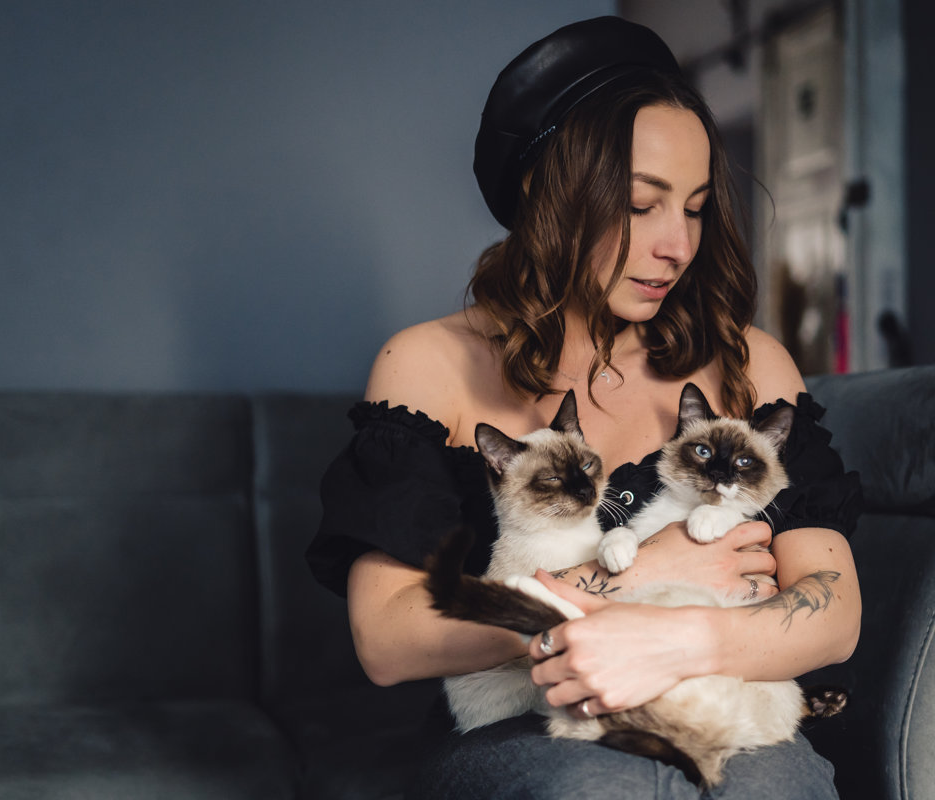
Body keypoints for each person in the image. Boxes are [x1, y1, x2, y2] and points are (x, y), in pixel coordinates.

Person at [307, 16, 863, 799]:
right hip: (522, 726)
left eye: (695, 208)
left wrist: (683, 639)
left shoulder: (749, 363)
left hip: (716, 692)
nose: (677, 245)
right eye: (640, 204)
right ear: (546, 194)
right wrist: (638, 575)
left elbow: (834, 613)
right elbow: (388, 639)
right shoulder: (429, 364)